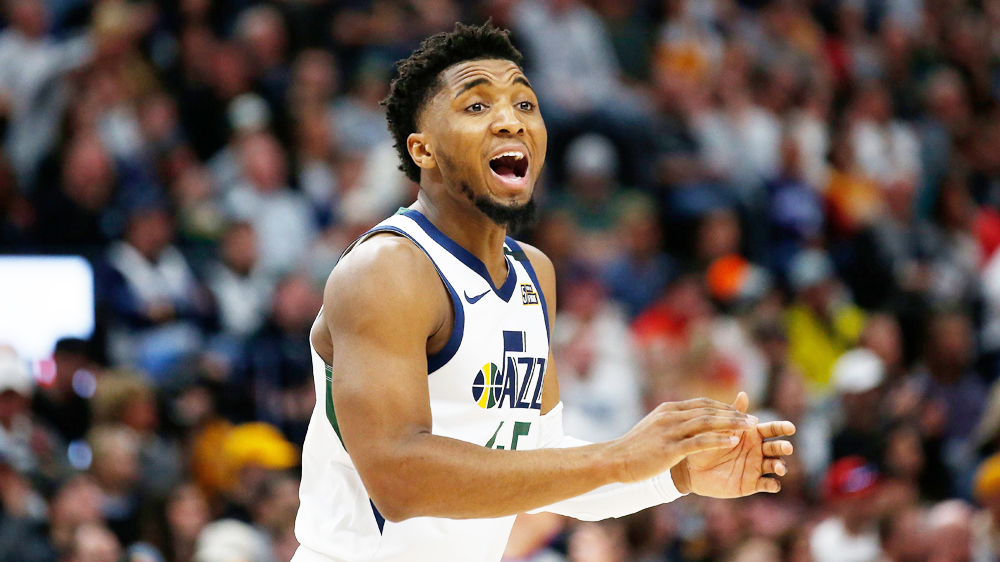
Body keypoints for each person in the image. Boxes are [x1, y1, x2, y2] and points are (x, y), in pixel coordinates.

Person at [291, 22, 796, 562]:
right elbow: (398, 479)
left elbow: (545, 460)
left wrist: (674, 472)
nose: (511, 119)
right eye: (477, 106)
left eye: (525, 104)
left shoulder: (534, 273)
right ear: (424, 150)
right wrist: (623, 455)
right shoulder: (388, 269)